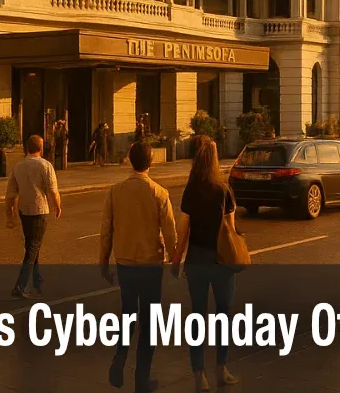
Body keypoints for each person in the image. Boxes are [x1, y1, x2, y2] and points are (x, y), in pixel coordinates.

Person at [100, 141, 178, 393]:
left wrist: (103, 262)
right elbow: (170, 232)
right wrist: (175, 260)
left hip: (125, 263)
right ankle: (142, 378)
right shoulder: (159, 193)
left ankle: (119, 358)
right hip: (151, 264)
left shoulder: (115, 191)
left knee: (128, 314)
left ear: (129, 161)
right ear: (150, 162)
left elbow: (106, 232)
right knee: (150, 321)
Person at [172, 135, 240, 393]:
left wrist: (176, 259)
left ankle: (199, 374)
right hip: (221, 261)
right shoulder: (224, 191)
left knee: (198, 316)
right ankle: (222, 369)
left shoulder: (191, 190)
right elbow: (230, 230)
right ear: (214, 161)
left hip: (197, 260)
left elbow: (184, 230)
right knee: (223, 315)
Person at [5, 135, 62, 299]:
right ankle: (20, 286)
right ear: (41, 148)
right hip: (40, 210)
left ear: (26, 148)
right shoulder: (46, 165)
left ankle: (37, 279)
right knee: (33, 247)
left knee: (31, 244)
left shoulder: (18, 166)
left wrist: (9, 214)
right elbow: (53, 190)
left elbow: (10, 194)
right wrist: (57, 206)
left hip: (24, 210)